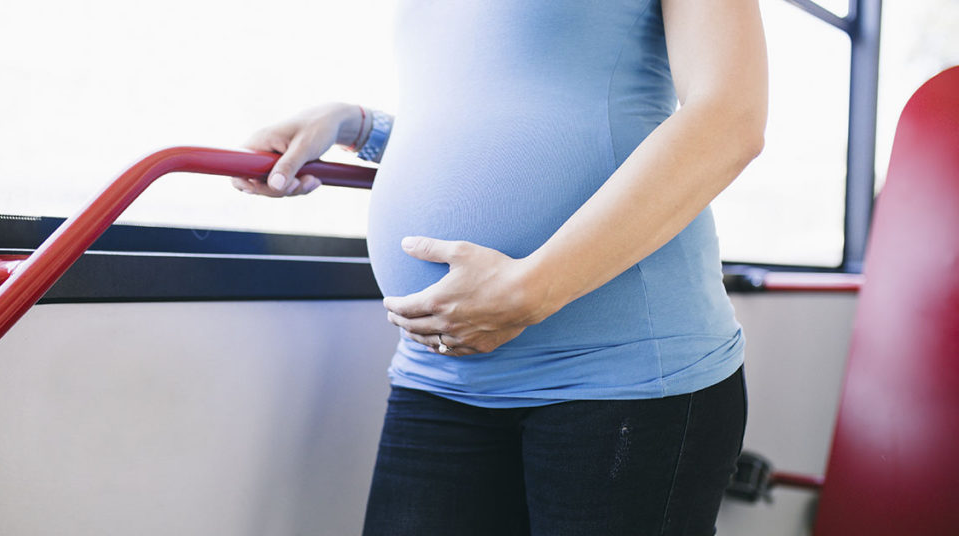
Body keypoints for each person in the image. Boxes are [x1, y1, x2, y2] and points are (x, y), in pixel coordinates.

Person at [233, 0, 767, 533]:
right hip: (440, 373)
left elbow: (729, 118)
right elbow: (502, 112)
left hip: (624, 376)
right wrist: (356, 125)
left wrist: (532, 289)